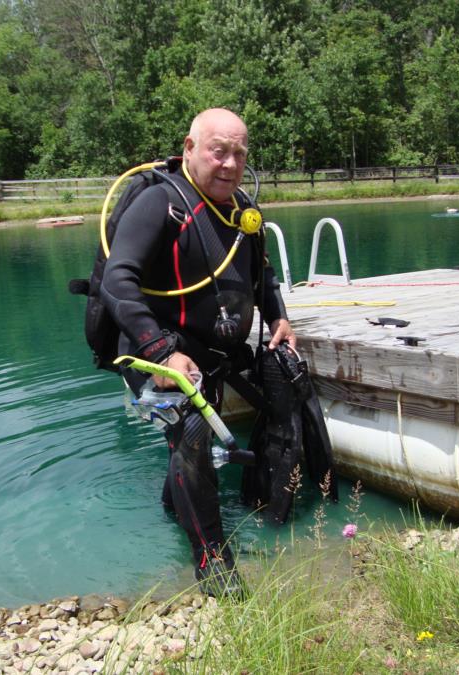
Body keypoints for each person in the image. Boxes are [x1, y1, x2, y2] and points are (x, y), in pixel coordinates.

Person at [100, 108, 295, 597]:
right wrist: (161, 351)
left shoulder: (243, 209)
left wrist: (278, 317)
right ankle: (213, 562)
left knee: (204, 440)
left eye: (239, 152)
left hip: (211, 352)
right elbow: (118, 281)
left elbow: (261, 274)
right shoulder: (159, 204)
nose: (229, 163)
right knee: (189, 433)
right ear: (189, 148)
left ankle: (177, 508)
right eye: (218, 150)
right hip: (155, 353)